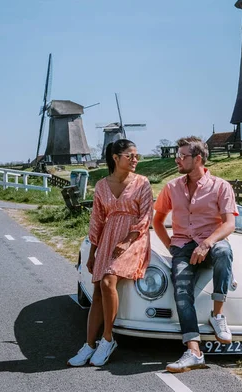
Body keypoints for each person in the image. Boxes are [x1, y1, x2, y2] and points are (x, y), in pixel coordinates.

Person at [153, 136, 238, 373]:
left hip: (210, 241)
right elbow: (157, 220)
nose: (177, 159)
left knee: (223, 252)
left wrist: (207, 243)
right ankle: (193, 351)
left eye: (182, 156)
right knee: (181, 288)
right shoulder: (171, 187)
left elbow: (229, 224)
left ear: (197, 159)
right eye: (177, 156)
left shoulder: (221, 186)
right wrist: (171, 246)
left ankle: (218, 315)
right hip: (182, 245)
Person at [68, 139, 153, 367]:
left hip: (134, 239)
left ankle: (108, 339)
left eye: (137, 156)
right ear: (115, 158)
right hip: (107, 238)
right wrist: (92, 252)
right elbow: (97, 220)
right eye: (130, 156)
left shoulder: (142, 183)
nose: (135, 160)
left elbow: (145, 218)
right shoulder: (102, 185)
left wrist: (127, 240)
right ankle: (89, 345)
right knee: (97, 289)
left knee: (107, 282)